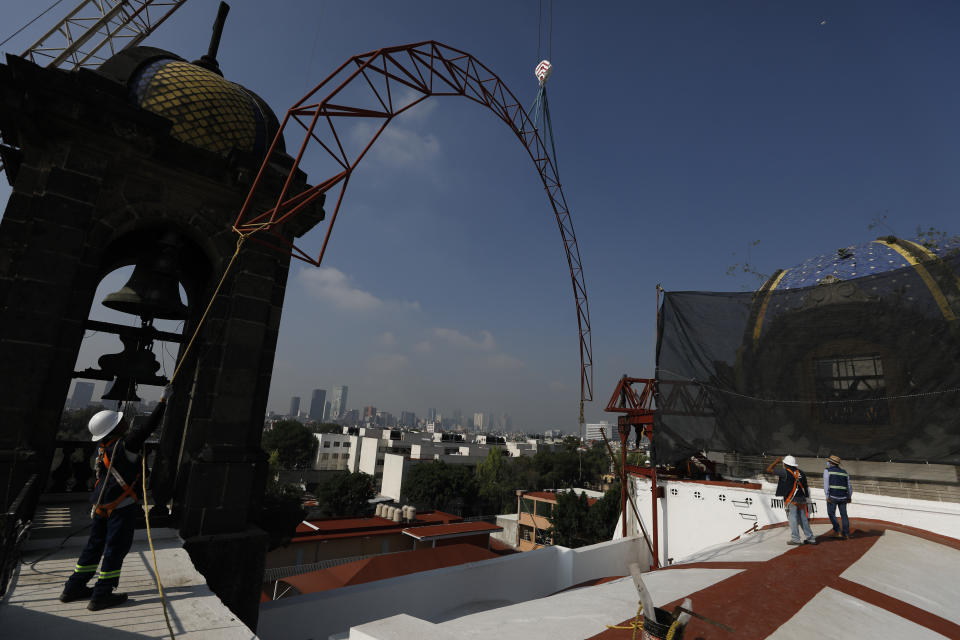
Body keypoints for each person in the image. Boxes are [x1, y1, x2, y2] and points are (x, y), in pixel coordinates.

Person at [59, 385, 171, 610]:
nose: (125, 423)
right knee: (115, 549)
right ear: (115, 427)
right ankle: (101, 594)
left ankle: (73, 587)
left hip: (101, 504)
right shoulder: (125, 445)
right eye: (121, 422)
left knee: (94, 546)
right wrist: (162, 402)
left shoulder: (104, 446)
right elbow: (148, 428)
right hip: (121, 506)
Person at [767, 455, 817, 546]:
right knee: (803, 519)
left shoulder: (784, 472)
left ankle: (795, 539)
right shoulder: (801, 472)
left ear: (785, 464)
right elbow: (805, 486)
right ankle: (811, 538)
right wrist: (806, 497)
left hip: (791, 500)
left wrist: (776, 462)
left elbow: (769, 470)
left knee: (793, 519)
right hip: (802, 499)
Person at [824, 454, 853, 539]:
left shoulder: (827, 471)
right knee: (844, 515)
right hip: (843, 497)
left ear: (831, 463)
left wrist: (827, 496)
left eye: (828, 461)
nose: (828, 462)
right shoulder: (844, 472)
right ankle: (846, 533)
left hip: (832, 496)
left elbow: (826, 485)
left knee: (831, 513)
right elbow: (849, 486)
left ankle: (838, 531)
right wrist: (849, 496)